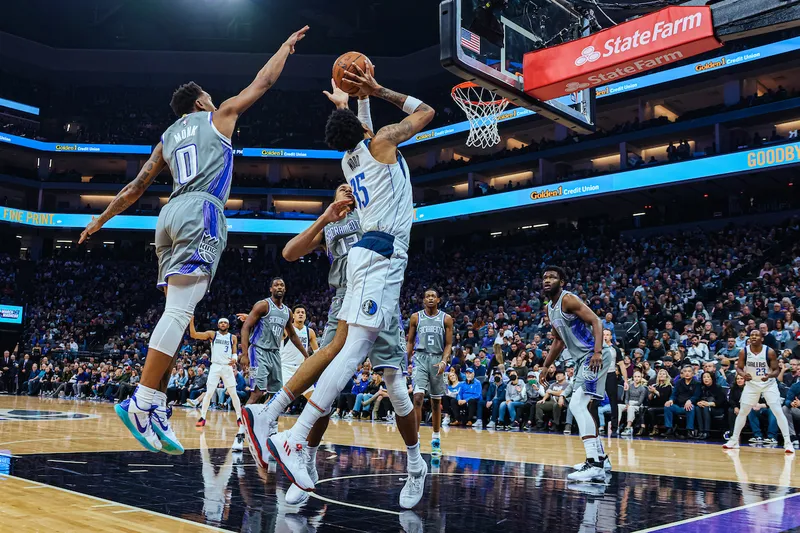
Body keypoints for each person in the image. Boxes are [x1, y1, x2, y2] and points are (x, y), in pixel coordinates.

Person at [77, 25, 309, 455]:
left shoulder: (167, 138)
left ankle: (159, 404)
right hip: (201, 211)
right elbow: (264, 81)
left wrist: (101, 219)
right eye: (210, 95)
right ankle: (141, 401)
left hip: (167, 216)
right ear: (202, 101)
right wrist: (284, 48)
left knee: (175, 312)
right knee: (181, 310)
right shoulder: (218, 117)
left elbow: (135, 188)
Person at [263, 66, 435, 510]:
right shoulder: (378, 144)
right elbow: (426, 111)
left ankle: (415, 465)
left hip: (371, 258)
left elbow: (368, 132)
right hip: (381, 256)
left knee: (394, 384)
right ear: (364, 130)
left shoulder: (351, 157)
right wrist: (377, 88)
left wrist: (353, 102)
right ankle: (297, 440)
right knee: (349, 350)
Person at [538, 266, 614, 482]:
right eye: (544, 277)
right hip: (582, 360)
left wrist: (598, 352)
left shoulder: (568, 299)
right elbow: (558, 340)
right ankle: (601, 458)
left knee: (577, 404)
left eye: (552, 277)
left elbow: (596, 321)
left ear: (561, 282)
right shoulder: (550, 308)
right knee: (585, 406)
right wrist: (545, 366)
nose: (547, 280)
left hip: (594, 355)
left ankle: (595, 464)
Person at [723, 330, 795, 454]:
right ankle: (734, 440)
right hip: (751, 384)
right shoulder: (744, 351)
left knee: (777, 411)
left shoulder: (769, 351)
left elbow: (776, 370)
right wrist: (743, 374)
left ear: (762, 338)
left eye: (756, 335)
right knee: (743, 412)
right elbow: (739, 368)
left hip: (768, 384)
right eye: (752, 335)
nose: (754, 337)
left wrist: (769, 375)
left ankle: (788, 443)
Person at [240, 278, 309, 406]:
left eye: (282, 285)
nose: (279, 287)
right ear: (271, 289)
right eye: (276, 285)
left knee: (277, 394)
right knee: (257, 392)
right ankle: (244, 425)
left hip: (275, 354)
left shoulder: (287, 312)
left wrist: (306, 355)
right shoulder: (263, 305)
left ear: (285, 289)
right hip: (258, 351)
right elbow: (245, 327)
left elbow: (293, 335)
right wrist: (244, 355)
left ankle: (272, 424)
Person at [407, 289, 454, 455]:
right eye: (427, 296)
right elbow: (410, 341)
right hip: (420, 358)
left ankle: (436, 439)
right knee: (418, 397)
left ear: (438, 300)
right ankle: (415, 439)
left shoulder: (446, 319)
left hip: (437, 360)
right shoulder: (416, 317)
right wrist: (406, 361)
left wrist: (444, 361)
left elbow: (448, 344)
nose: (430, 298)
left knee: (435, 403)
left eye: (433, 296)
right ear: (424, 300)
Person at [189, 316, 245, 451]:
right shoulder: (212, 334)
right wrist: (191, 322)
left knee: (233, 393)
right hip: (215, 366)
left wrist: (234, 359)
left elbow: (234, 351)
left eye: (225, 322)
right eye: (221, 322)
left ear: (228, 325)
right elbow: (194, 334)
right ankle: (202, 417)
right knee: (208, 393)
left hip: (227, 367)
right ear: (218, 325)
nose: (223, 324)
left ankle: (239, 418)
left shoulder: (232, 337)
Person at [280, 305, 319, 405]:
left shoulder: (309, 332)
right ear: (293, 316)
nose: (300, 314)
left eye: (303, 312)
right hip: (285, 368)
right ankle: (265, 416)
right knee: (279, 399)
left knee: (314, 400)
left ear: (305, 316)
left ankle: (313, 420)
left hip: (301, 369)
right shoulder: (285, 329)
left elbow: (317, 352)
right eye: (298, 312)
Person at [663, 364, 700, 438]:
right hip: (678, 405)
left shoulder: (697, 383)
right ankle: (669, 429)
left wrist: (690, 400)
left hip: (689, 405)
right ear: (682, 373)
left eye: (689, 371)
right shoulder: (679, 382)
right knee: (668, 406)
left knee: (691, 407)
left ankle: (689, 430)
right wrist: (671, 400)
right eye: (685, 371)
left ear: (693, 373)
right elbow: (674, 394)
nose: (687, 373)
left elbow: (696, 396)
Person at [695, 371, 727, 439]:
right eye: (704, 377)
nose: (706, 379)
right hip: (704, 406)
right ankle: (701, 431)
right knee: (698, 408)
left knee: (706, 408)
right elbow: (696, 397)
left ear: (712, 378)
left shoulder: (717, 387)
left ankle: (706, 431)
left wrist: (708, 404)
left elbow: (721, 401)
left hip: (717, 408)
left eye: (708, 377)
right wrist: (698, 402)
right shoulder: (700, 387)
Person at [644, 368, 672, 436]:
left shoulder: (668, 386)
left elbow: (664, 398)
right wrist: (651, 393)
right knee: (644, 409)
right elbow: (650, 399)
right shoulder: (655, 386)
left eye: (663, 374)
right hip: (654, 405)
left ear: (666, 376)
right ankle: (643, 429)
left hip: (663, 406)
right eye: (660, 374)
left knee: (651, 410)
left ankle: (655, 428)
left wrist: (655, 391)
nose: (661, 375)